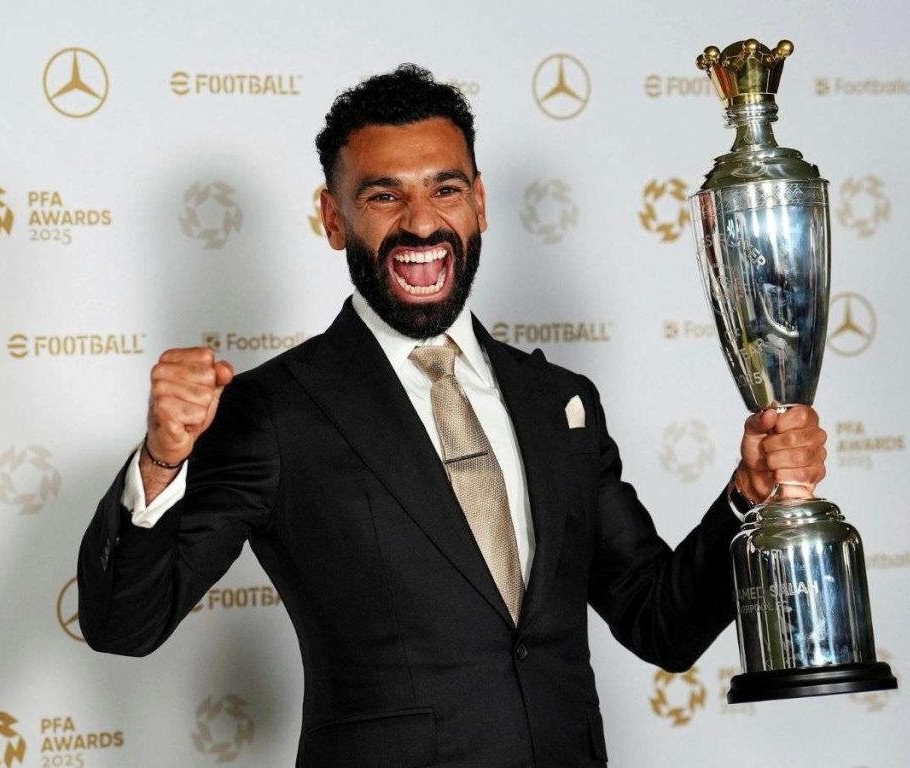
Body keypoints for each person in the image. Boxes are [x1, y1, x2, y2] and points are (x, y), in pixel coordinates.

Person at [78, 64, 827, 767]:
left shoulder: (559, 402)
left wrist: (748, 497)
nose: (421, 224)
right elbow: (124, 625)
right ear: (334, 219)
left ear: (480, 203)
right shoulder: (275, 410)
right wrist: (163, 459)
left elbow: (660, 622)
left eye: (445, 189)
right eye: (383, 196)